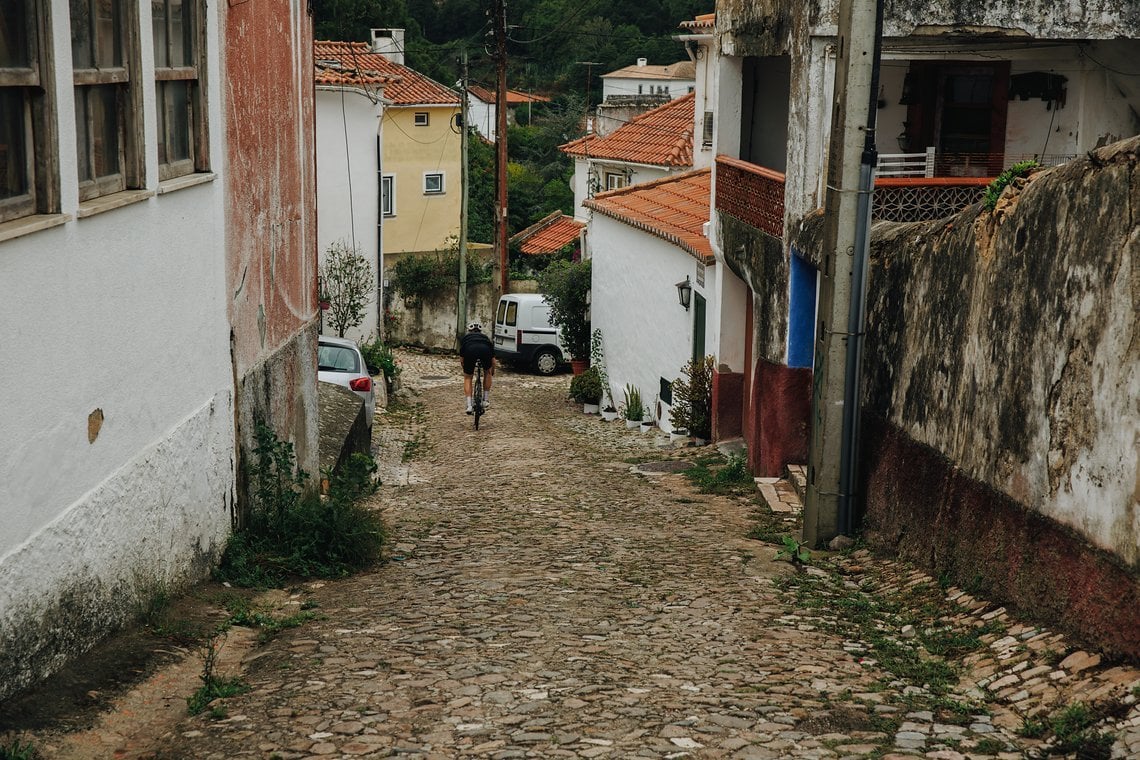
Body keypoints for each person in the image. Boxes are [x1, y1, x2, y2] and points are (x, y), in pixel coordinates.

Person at [459, 321, 494, 414]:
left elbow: (462, 360)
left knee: (467, 378)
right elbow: (493, 360)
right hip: (485, 350)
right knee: (487, 372)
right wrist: (491, 371)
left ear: (469, 331)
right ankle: (485, 400)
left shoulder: (466, 338)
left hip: (469, 350)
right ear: (480, 331)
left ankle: (469, 406)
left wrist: (466, 369)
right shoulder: (485, 338)